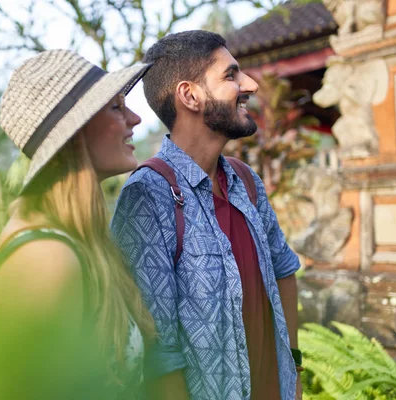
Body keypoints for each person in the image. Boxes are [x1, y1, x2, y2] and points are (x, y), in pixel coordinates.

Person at [111, 30, 302, 400]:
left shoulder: (246, 181)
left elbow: (284, 269)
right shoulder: (147, 196)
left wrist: (293, 371)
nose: (250, 84)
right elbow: (158, 353)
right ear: (190, 96)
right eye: (231, 75)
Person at [0, 49, 155, 399]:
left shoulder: (77, 241)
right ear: (76, 133)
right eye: (116, 107)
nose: (135, 118)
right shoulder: (47, 259)